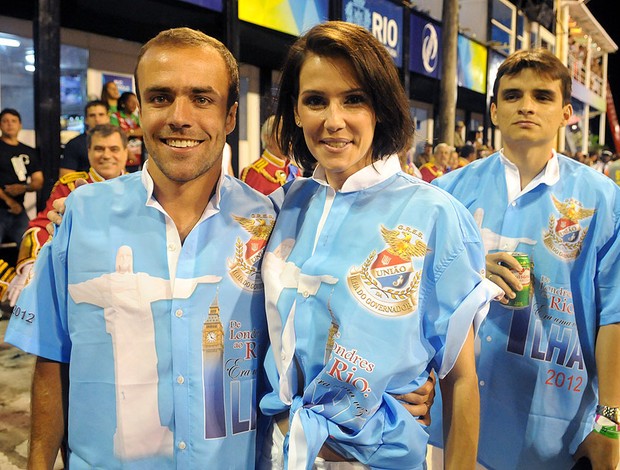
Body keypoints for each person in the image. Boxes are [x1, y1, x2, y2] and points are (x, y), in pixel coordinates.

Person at [5, 27, 278, 469]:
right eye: (160, 97)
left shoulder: (267, 224)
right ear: (139, 111)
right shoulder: (82, 215)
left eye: (202, 99)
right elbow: (52, 357)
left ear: (230, 117)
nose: (179, 117)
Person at [258, 21, 499, 469]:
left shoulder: (435, 216)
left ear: (381, 108)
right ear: (295, 111)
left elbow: (461, 379)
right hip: (280, 451)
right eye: (315, 101)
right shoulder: (288, 205)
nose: (334, 121)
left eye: (354, 99)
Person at [429, 48, 620, 470]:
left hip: (555, 431)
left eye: (543, 96)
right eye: (513, 96)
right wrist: (474, 274)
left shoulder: (603, 199)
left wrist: (610, 423)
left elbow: (614, 314)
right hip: (452, 424)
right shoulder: (447, 193)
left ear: (566, 113)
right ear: (494, 111)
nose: (527, 106)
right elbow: (419, 296)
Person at [6, 124, 128, 307]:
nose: (106, 155)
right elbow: (39, 227)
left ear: (126, 152)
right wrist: (29, 265)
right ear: (88, 152)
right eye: (99, 149)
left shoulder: (140, 187)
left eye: (114, 149)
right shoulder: (68, 187)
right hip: (80, 285)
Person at [0, 108, 44, 244]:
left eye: (13, 121)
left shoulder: (28, 151)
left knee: (31, 246)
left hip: (19, 209)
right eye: (5, 121)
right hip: (3, 206)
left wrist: (25, 187)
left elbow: (38, 180)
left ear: (20, 125)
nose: (9, 124)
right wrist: (9, 201)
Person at [240, 115, 300, 195]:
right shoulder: (255, 173)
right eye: (282, 133)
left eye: (289, 133)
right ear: (267, 138)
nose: (288, 138)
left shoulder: (294, 169)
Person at [59, 100, 110, 177]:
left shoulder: (116, 141)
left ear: (107, 117)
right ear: (86, 120)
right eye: (92, 115)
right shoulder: (74, 144)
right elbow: (66, 177)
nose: (97, 119)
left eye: (101, 114)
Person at [110, 91, 144, 171]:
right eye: (130, 101)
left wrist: (130, 132)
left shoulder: (136, 117)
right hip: (122, 154)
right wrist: (128, 152)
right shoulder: (115, 116)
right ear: (123, 103)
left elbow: (143, 131)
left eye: (135, 102)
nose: (134, 104)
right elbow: (116, 135)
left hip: (138, 155)